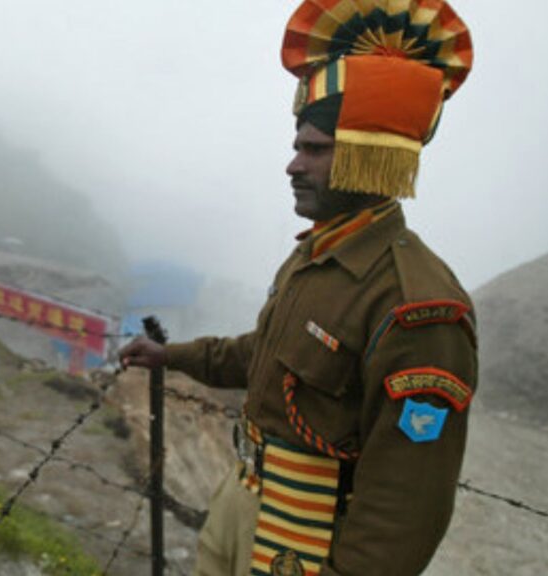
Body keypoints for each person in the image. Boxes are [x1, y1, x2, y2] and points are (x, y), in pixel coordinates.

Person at [119, 2, 477, 575]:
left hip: (308, 542)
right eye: (298, 147)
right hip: (243, 501)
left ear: (367, 157)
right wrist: (173, 356)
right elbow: (263, 355)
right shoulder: (315, 256)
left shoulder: (416, 304)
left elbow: (408, 501)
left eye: (314, 150)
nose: (292, 165)